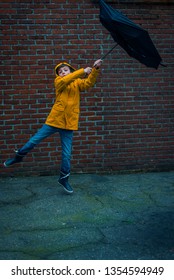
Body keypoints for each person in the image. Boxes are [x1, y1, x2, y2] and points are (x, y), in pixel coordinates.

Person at [4, 59, 102, 194]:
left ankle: (64, 178)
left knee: (66, 155)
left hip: (69, 124)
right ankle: (19, 156)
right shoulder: (59, 82)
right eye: (60, 72)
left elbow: (89, 83)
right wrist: (82, 71)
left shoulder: (77, 83)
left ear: (71, 71)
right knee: (34, 140)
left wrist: (94, 69)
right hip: (54, 121)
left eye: (65, 70)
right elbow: (64, 80)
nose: (62, 73)